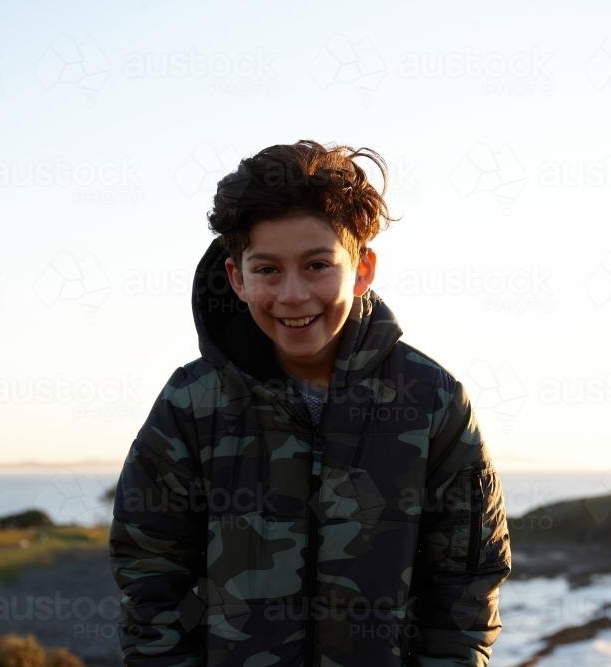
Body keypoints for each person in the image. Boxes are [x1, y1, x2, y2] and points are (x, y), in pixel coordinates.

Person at [108, 140, 511, 666]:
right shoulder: (191, 405)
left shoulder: (431, 401)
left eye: (317, 265)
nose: (293, 295)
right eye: (268, 270)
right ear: (237, 277)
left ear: (362, 268)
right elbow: (150, 584)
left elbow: (464, 590)